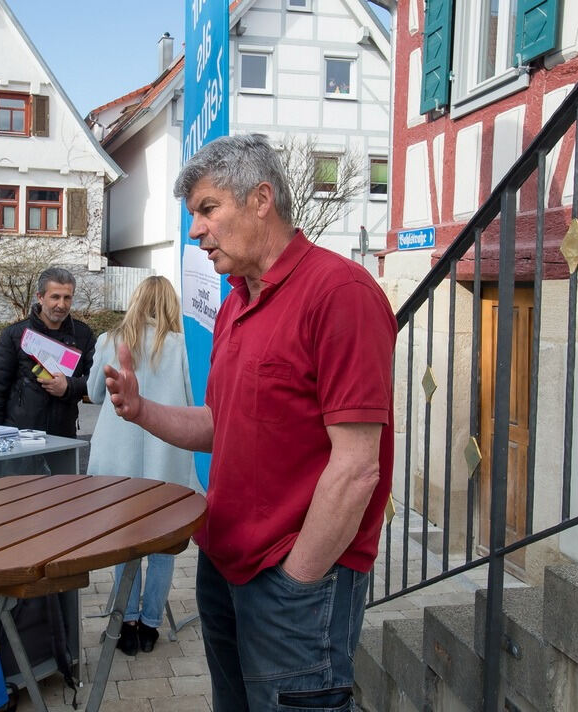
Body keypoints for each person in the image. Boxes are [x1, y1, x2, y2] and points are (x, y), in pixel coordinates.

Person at [104, 133, 396, 711]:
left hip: (292, 581)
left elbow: (358, 467)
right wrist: (140, 410)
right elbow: (221, 423)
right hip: (223, 565)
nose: (194, 231)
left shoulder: (340, 292)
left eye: (208, 210)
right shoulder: (238, 298)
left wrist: (299, 579)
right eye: (193, 215)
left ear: (261, 199)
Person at [86, 275, 195, 656]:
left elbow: (95, 393)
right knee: (163, 545)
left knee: (124, 541)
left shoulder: (109, 342)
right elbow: (196, 402)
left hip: (117, 463)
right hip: (167, 458)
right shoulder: (182, 346)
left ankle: (126, 622)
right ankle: (151, 624)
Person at [0, 267, 96, 438]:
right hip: (20, 439)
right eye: (55, 297)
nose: (61, 305)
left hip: (63, 438)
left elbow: (96, 380)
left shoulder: (83, 334)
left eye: (67, 298)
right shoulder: (14, 335)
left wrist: (69, 386)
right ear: (40, 297)